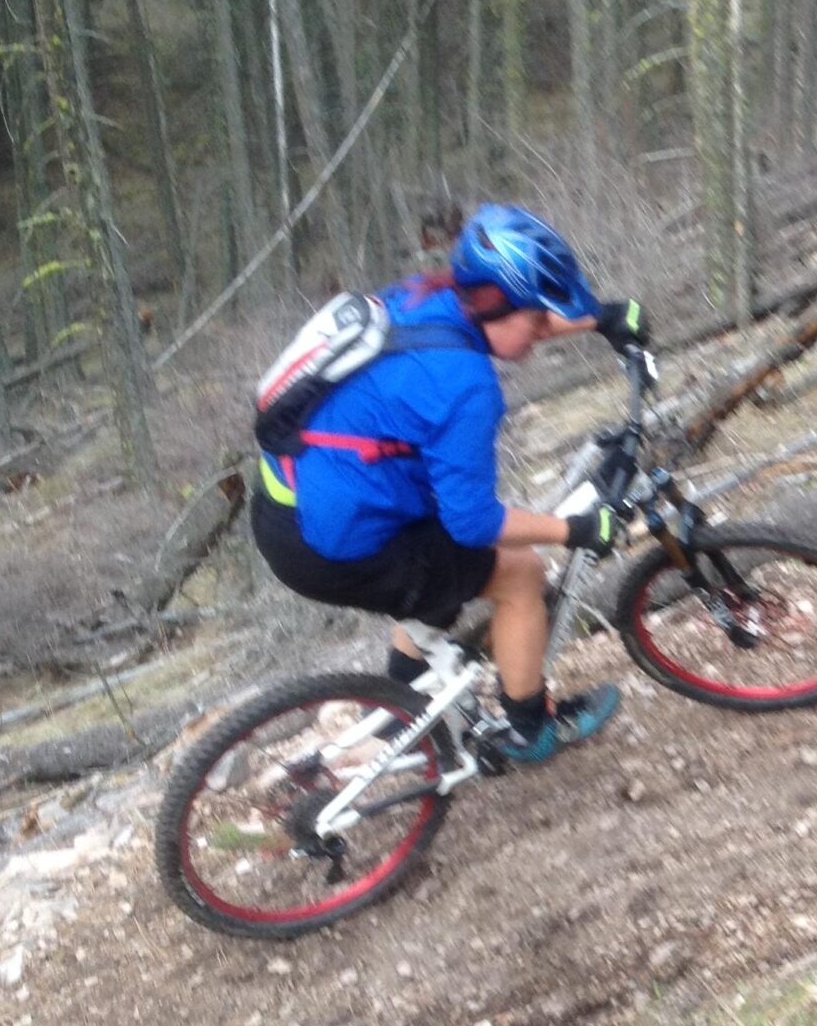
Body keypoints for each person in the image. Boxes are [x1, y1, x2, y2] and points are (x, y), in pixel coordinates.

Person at [251, 203, 647, 764]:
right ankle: (531, 730)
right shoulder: (467, 389)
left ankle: (397, 709)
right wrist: (577, 528)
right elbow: (475, 522)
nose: (541, 332)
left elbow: (504, 326)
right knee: (520, 571)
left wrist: (597, 318)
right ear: (500, 305)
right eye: (537, 320)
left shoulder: (424, 298)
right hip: (333, 543)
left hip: (293, 500)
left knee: (443, 566)